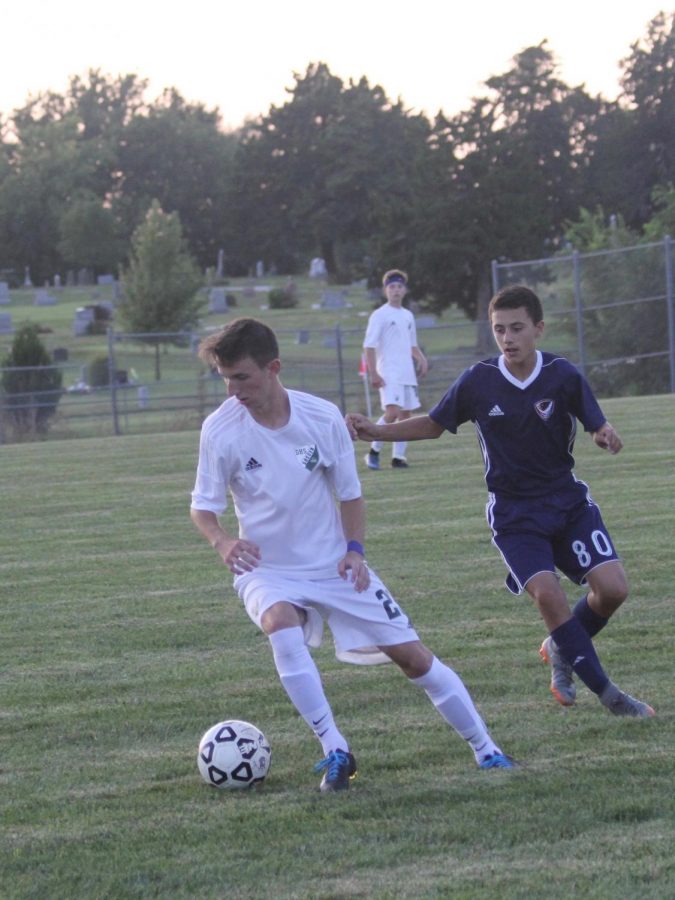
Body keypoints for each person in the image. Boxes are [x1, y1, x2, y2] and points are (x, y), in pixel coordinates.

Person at [190, 317, 514, 794]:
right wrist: (222, 541)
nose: (233, 389)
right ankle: (335, 749)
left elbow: (350, 495)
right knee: (280, 623)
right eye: (224, 378)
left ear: (273, 367)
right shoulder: (221, 431)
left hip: (335, 565)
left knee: (414, 659)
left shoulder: (320, 418)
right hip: (269, 570)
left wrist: (356, 552)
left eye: (242, 377)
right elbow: (203, 507)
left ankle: (487, 751)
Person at [347, 285, 655, 719]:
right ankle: (612, 697)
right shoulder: (479, 380)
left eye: (516, 328)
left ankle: (560, 646)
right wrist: (376, 431)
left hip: (568, 504)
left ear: (538, 329)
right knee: (548, 595)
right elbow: (434, 424)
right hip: (514, 514)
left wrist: (604, 434)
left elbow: (596, 423)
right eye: (498, 330)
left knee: (614, 590)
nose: (507, 338)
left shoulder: (563, 375)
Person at [362, 269, 428, 470]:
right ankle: (373, 451)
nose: (396, 290)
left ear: (405, 290)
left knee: (405, 417)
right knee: (392, 412)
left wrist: (422, 359)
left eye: (399, 287)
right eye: (392, 287)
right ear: (385, 290)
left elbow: (412, 345)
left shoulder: (407, 315)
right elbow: (369, 346)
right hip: (389, 372)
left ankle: (398, 458)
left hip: (406, 372)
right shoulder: (380, 315)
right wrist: (373, 372)